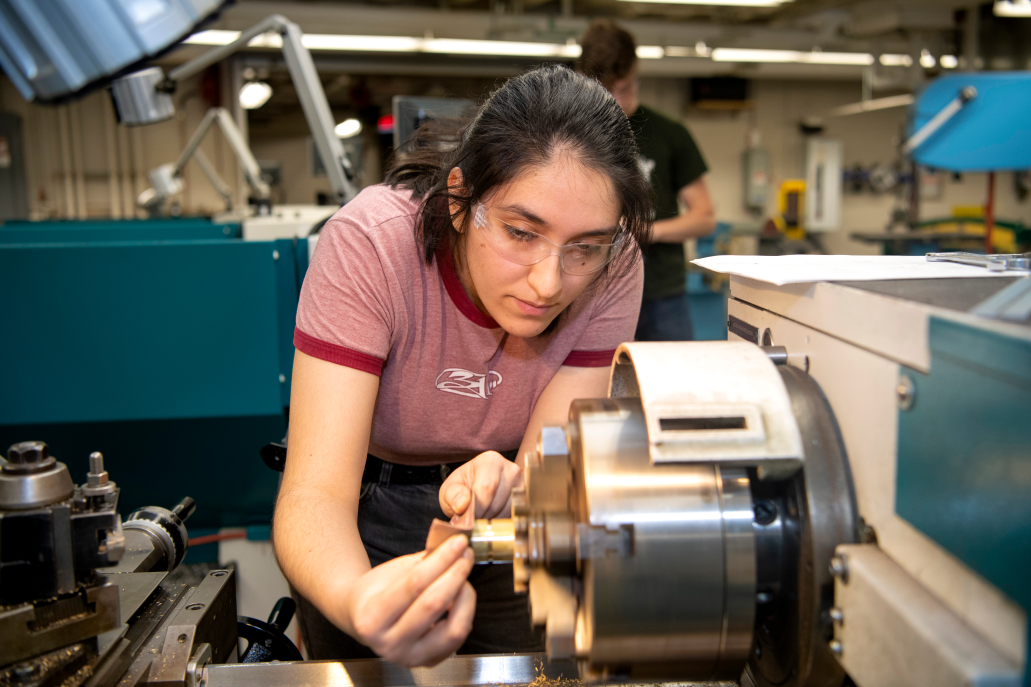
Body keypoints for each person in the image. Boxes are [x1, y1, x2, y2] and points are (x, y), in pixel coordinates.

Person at [273, 65, 651, 668]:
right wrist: (357, 597)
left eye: (583, 248)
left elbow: (546, 455)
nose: (550, 282)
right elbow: (315, 493)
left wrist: (516, 483)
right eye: (521, 233)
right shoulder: (371, 243)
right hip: (368, 507)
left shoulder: (616, 262)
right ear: (459, 200)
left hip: (510, 507)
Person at [579, 19, 717, 342]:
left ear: (636, 74)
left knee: (672, 390)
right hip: (589, 290)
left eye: (624, 88)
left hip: (660, 296)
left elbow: (705, 217)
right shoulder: (571, 135)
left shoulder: (670, 134)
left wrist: (645, 231)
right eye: (605, 90)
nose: (616, 100)